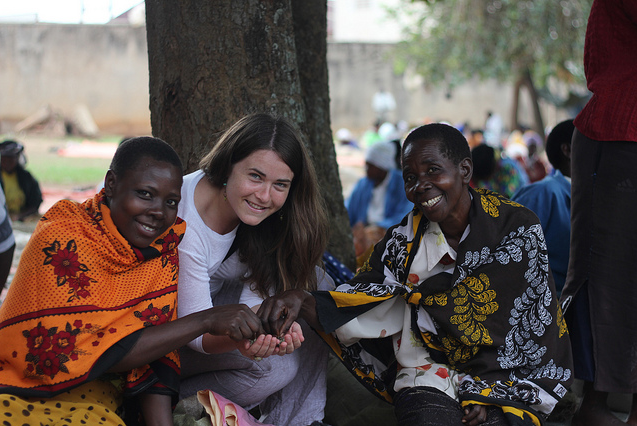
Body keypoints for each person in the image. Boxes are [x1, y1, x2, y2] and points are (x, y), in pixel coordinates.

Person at [259, 123, 573, 426]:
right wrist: (302, 298)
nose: (420, 185)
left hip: (506, 378)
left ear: (464, 170)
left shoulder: (516, 228)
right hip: (426, 372)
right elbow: (360, 298)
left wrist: (487, 392)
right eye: (410, 177)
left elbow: (530, 327)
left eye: (433, 170)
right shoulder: (402, 241)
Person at [0, 137, 266, 425]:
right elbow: (82, 351)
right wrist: (204, 321)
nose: (158, 212)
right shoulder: (63, 237)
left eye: (171, 202)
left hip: (97, 399)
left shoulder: (163, 250)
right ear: (111, 184)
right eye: (144, 194)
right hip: (16, 385)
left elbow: (158, 356)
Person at [176, 113, 331, 426]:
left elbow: (253, 303)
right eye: (255, 177)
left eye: (280, 185)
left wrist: (272, 332)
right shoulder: (187, 224)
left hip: (216, 311)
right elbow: (197, 333)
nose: (264, 196)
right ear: (228, 165)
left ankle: (303, 420)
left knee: (313, 290)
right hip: (173, 336)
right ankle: (166, 402)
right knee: (276, 370)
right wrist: (245, 342)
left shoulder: (261, 218)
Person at [559, 2, 637, 426]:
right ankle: (595, 398)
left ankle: (596, 400)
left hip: (617, 134)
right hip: (621, 134)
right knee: (612, 276)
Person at [512, 119, 574, 296]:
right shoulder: (543, 193)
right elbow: (511, 256)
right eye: (591, 143)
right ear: (567, 150)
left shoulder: (591, 195)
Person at [346, 141, 413, 265]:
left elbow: (406, 213)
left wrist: (380, 227)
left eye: (370, 166)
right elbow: (348, 209)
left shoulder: (401, 183)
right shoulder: (363, 184)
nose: (366, 169)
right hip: (364, 230)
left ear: (381, 167)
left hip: (389, 232)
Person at [0, 140, 43, 221]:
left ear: (17, 158)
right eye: (5, 158)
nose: (7, 162)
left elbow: (36, 202)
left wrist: (20, 215)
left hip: (22, 219)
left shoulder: (26, 177)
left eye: (11, 159)